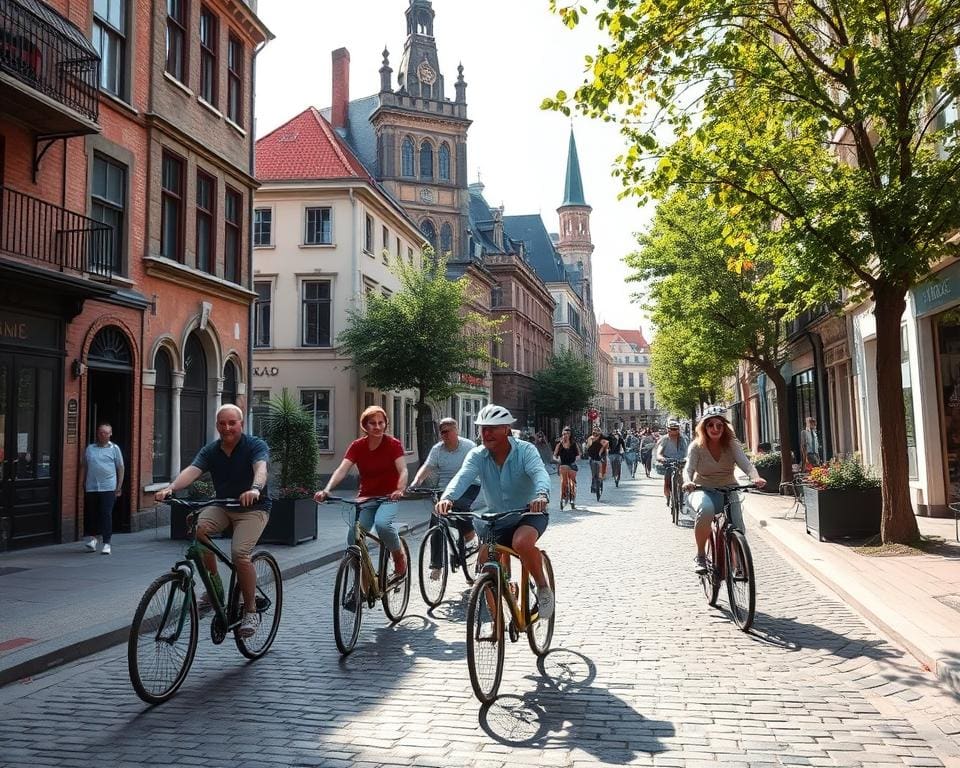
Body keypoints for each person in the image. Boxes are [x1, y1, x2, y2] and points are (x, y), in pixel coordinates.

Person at [155, 404, 270, 638]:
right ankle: (215, 588)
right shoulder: (211, 450)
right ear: (216, 425)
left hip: (252, 508)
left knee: (240, 554)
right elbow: (192, 470)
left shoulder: (254, 445)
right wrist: (171, 488)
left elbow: (261, 469)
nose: (226, 428)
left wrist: (255, 489)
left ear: (241, 424)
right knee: (197, 526)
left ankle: (250, 610)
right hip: (223, 505)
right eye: (221, 423)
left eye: (232, 423)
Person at [436, 404, 554, 620]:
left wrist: (541, 495)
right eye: (483, 428)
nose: (487, 433)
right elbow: (462, 477)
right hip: (497, 518)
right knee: (485, 563)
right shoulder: (477, 455)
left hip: (529, 513)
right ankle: (495, 620)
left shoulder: (525, 451)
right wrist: (447, 498)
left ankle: (544, 589)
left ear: (507, 429)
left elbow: (539, 473)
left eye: (493, 428)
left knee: (521, 543)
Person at [314, 405, 408, 587]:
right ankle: (361, 581)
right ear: (365, 426)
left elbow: (403, 469)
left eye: (381, 423)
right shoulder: (358, 446)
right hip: (366, 498)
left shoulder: (393, 444)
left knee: (382, 524)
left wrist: (399, 489)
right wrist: (327, 490)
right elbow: (342, 469)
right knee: (353, 538)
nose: (377, 427)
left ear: (386, 424)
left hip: (389, 497)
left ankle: (399, 558)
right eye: (372, 423)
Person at [682, 406, 766, 574]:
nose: (715, 429)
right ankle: (700, 555)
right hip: (701, 489)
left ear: (725, 427)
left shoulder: (731, 444)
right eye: (710, 425)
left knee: (738, 526)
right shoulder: (696, 447)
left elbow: (746, 464)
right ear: (704, 427)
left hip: (728, 489)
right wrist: (688, 482)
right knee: (706, 510)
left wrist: (755, 477)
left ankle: (738, 561)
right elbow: (688, 469)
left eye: (719, 425)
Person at [409, 417, 479, 580]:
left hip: (469, 486)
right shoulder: (437, 449)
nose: (444, 435)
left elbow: (478, 466)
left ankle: (471, 538)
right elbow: (427, 467)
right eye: (441, 432)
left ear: (456, 431)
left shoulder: (469, 447)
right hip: (445, 489)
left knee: (460, 508)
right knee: (436, 521)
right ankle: (436, 565)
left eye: (447, 431)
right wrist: (416, 482)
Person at [81, 422, 124, 555]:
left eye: (106, 433)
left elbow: (120, 467)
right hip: (92, 486)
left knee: (106, 514)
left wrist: (119, 486)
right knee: (92, 513)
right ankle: (93, 539)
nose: (103, 435)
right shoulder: (90, 449)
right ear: (97, 434)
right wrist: (82, 483)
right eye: (101, 432)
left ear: (110, 434)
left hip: (108, 487)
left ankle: (106, 543)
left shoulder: (114, 448)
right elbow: (84, 466)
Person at [655, 420, 690, 506]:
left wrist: (687, 458)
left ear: (679, 430)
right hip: (668, 461)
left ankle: (681, 498)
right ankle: (668, 496)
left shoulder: (683, 439)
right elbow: (659, 451)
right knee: (667, 481)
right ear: (668, 430)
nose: (674, 431)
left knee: (683, 479)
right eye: (672, 429)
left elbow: (688, 451)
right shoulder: (665, 439)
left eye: (676, 429)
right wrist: (660, 457)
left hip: (681, 461)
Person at [553, 426, 581, 508]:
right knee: (563, 482)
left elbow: (579, 455)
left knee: (572, 482)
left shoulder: (574, 444)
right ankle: (563, 497)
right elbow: (554, 455)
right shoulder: (559, 445)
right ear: (562, 434)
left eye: (568, 434)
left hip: (572, 464)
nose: (566, 435)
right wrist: (557, 460)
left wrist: (576, 459)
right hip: (563, 464)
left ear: (570, 435)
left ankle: (572, 499)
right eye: (564, 434)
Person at [584, 426, 609, 495]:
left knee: (600, 473)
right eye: (594, 430)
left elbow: (606, 447)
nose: (595, 432)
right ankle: (593, 486)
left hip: (601, 458)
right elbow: (587, 447)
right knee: (594, 474)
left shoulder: (603, 438)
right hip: (593, 457)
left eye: (597, 430)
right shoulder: (590, 438)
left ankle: (600, 481)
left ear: (600, 432)